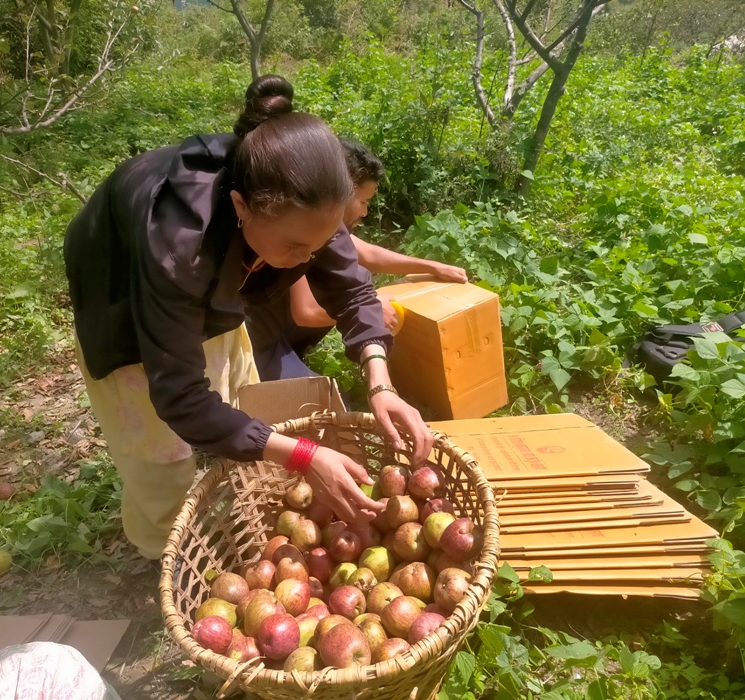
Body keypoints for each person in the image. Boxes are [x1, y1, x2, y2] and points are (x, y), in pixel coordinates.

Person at [63, 75, 433, 559]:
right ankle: (165, 556)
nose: (306, 258)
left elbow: (351, 288)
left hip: (212, 275)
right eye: (294, 247)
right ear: (241, 206)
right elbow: (179, 395)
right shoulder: (179, 247)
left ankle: (238, 505)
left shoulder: (308, 204)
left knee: (242, 395)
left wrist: (381, 383)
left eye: (318, 245)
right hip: (122, 299)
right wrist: (304, 455)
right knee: (160, 452)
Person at [247, 139, 468, 381]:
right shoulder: (305, 228)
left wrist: (433, 266)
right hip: (255, 344)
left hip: (275, 330)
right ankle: (273, 367)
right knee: (330, 408)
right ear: (343, 189)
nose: (364, 212)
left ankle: (293, 353)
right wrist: (372, 308)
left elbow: (369, 253)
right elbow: (307, 312)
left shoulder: (328, 228)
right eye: (363, 202)